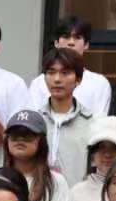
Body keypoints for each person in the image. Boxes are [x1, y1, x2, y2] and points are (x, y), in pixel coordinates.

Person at [0, 111, 73, 201]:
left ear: (41, 141)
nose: (20, 139)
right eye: (14, 135)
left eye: (27, 135)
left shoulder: (56, 182)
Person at [25, 16, 114, 117]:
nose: (71, 42)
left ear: (86, 45)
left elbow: (99, 122)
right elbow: (34, 120)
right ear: (56, 43)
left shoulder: (99, 83)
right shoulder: (39, 83)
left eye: (77, 37)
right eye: (66, 37)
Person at [35, 47, 97, 185]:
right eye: (51, 72)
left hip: (76, 195)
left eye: (65, 73)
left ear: (78, 79)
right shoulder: (35, 121)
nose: (57, 79)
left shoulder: (92, 123)